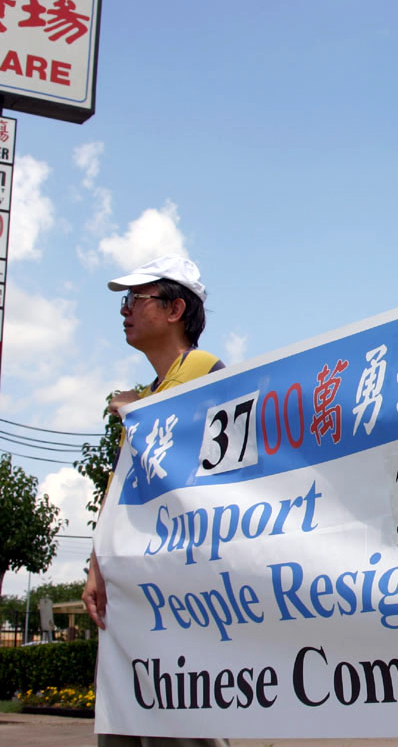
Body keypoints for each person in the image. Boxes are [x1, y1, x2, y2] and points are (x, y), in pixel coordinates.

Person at [81, 254, 227, 747]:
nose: (125, 309)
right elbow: (121, 488)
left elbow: (182, 450)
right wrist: (97, 566)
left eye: (136, 298)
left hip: (180, 589)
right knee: (125, 721)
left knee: (182, 719)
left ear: (175, 309)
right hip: (134, 585)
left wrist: (134, 410)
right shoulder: (146, 397)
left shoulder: (202, 369)